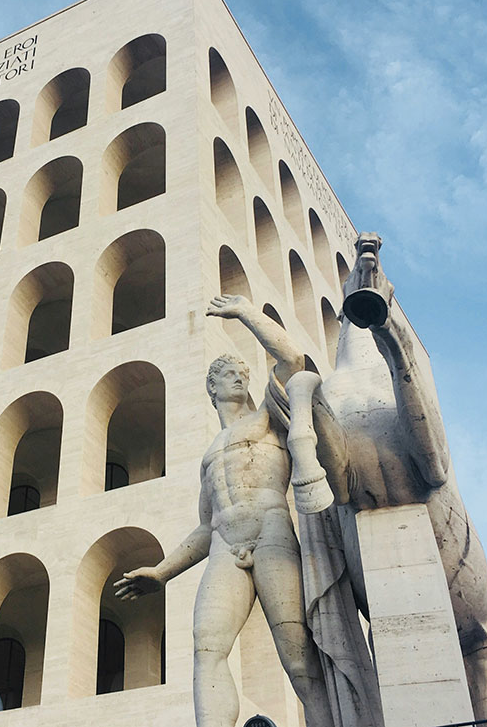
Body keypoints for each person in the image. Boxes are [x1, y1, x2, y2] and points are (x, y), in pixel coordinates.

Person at [114, 294, 342, 727]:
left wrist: (245, 314)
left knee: (298, 656)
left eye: (242, 373)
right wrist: (162, 572)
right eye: (228, 374)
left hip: (272, 535)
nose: (238, 378)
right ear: (212, 388)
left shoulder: (269, 419)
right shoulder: (210, 453)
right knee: (207, 646)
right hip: (224, 547)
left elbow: (294, 359)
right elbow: (206, 526)